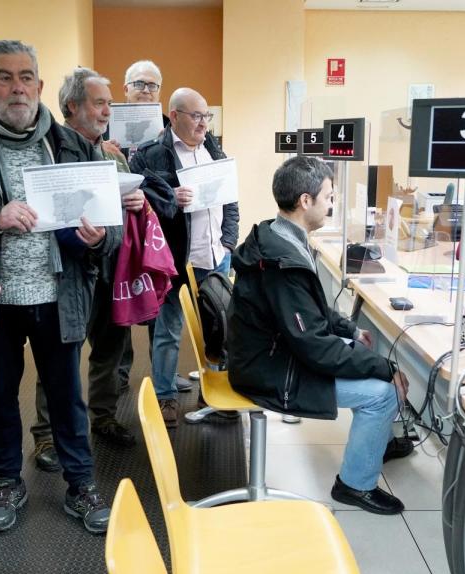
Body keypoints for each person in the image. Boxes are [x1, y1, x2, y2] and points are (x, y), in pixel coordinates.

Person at [0, 40, 120, 535]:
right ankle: (8, 482)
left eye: (27, 77)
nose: (18, 88)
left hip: (60, 294)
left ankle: (81, 485)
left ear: (39, 83)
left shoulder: (72, 144)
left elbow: (108, 223)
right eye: (6, 77)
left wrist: (98, 237)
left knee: (66, 397)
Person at [226, 156, 414, 515]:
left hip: (273, 354)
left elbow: (310, 315)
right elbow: (313, 346)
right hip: (270, 371)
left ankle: (375, 442)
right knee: (383, 390)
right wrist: (384, 367)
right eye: (328, 196)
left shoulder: (280, 234)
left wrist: (349, 328)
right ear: (305, 201)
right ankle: (354, 486)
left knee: (357, 348)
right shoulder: (284, 261)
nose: (333, 203)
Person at [130, 87, 238, 427]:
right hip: (176, 259)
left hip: (216, 255)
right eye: (196, 116)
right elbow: (139, 200)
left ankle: (214, 392)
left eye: (207, 116)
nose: (203, 123)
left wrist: (230, 242)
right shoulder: (150, 155)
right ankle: (165, 399)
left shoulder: (214, 149)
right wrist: (169, 197)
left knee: (218, 330)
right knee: (168, 331)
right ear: (174, 115)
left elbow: (230, 200)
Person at [57, 67, 145, 447]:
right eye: (99, 103)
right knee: (59, 358)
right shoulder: (51, 151)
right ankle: (49, 435)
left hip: (112, 266)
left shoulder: (114, 157)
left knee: (110, 349)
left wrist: (138, 202)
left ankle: (104, 417)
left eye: (109, 104)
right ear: (72, 106)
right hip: (69, 271)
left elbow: (132, 207)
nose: (107, 112)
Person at [123, 59, 170, 128]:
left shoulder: (170, 127)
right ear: (126, 90)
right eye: (139, 84)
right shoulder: (106, 124)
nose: (146, 90)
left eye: (152, 85)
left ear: (159, 93)